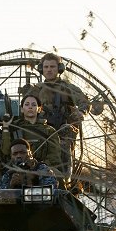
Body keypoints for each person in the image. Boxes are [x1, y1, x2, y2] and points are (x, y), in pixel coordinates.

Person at [28, 53, 90, 185]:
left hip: (64, 132)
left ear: (59, 69)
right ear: (41, 69)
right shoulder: (36, 90)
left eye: (52, 66)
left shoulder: (68, 88)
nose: (49, 70)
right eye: (46, 67)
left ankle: (64, 185)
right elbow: (24, 107)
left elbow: (85, 102)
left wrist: (81, 112)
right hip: (41, 133)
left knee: (63, 164)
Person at [1, 94, 62, 170]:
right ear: (22, 109)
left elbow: (54, 157)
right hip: (17, 168)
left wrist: (37, 166)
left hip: (42, 169)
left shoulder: (49, 130)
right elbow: (6, 151)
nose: (30, 107)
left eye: (33, 105)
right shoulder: (14, 128)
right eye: (26, 105)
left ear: (39, 109)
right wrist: (6, 127)